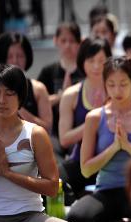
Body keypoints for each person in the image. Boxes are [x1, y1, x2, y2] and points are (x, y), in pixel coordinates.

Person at [0, 64, 91, 222]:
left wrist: (9, 174)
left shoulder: (35, 133)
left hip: (28, 218)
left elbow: (52, 187)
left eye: (10, 93)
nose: (2, 100)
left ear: (21, 97)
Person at [66, 57, 131, 222]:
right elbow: (86, 170)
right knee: (76, 217)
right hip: (107, 190)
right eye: (111, 84)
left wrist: (128, 146)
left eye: (123, 84)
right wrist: (113, 148)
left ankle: (130, 221)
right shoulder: (94, 118)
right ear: (105, 85)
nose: (117, 90)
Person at [58, 37, 112, 200]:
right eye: (91, 60)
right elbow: (64, 139)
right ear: (82, 62)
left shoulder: (118, 91)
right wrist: (94, 117)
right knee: (53, 185)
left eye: (101, 61)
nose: (96, 66)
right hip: (81, 161)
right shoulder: (71, 94)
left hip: (111, 162)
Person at [0, 33, 52, 131]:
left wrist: (17, 108)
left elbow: (47, 128)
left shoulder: (38, 89)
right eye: (9, 56)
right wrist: (2, 113)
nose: (15, 61)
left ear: (27, 57)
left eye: (20, 56)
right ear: (1, 58)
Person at [37, 21, 84, 155]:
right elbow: (39, 102)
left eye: (72, 41)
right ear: (55, 41)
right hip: (54, 133)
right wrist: (60, 96)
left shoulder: (86, 71)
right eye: (63, 41)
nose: (68, 45)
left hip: (79, 131)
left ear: (79, 43)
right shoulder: (48, 71)